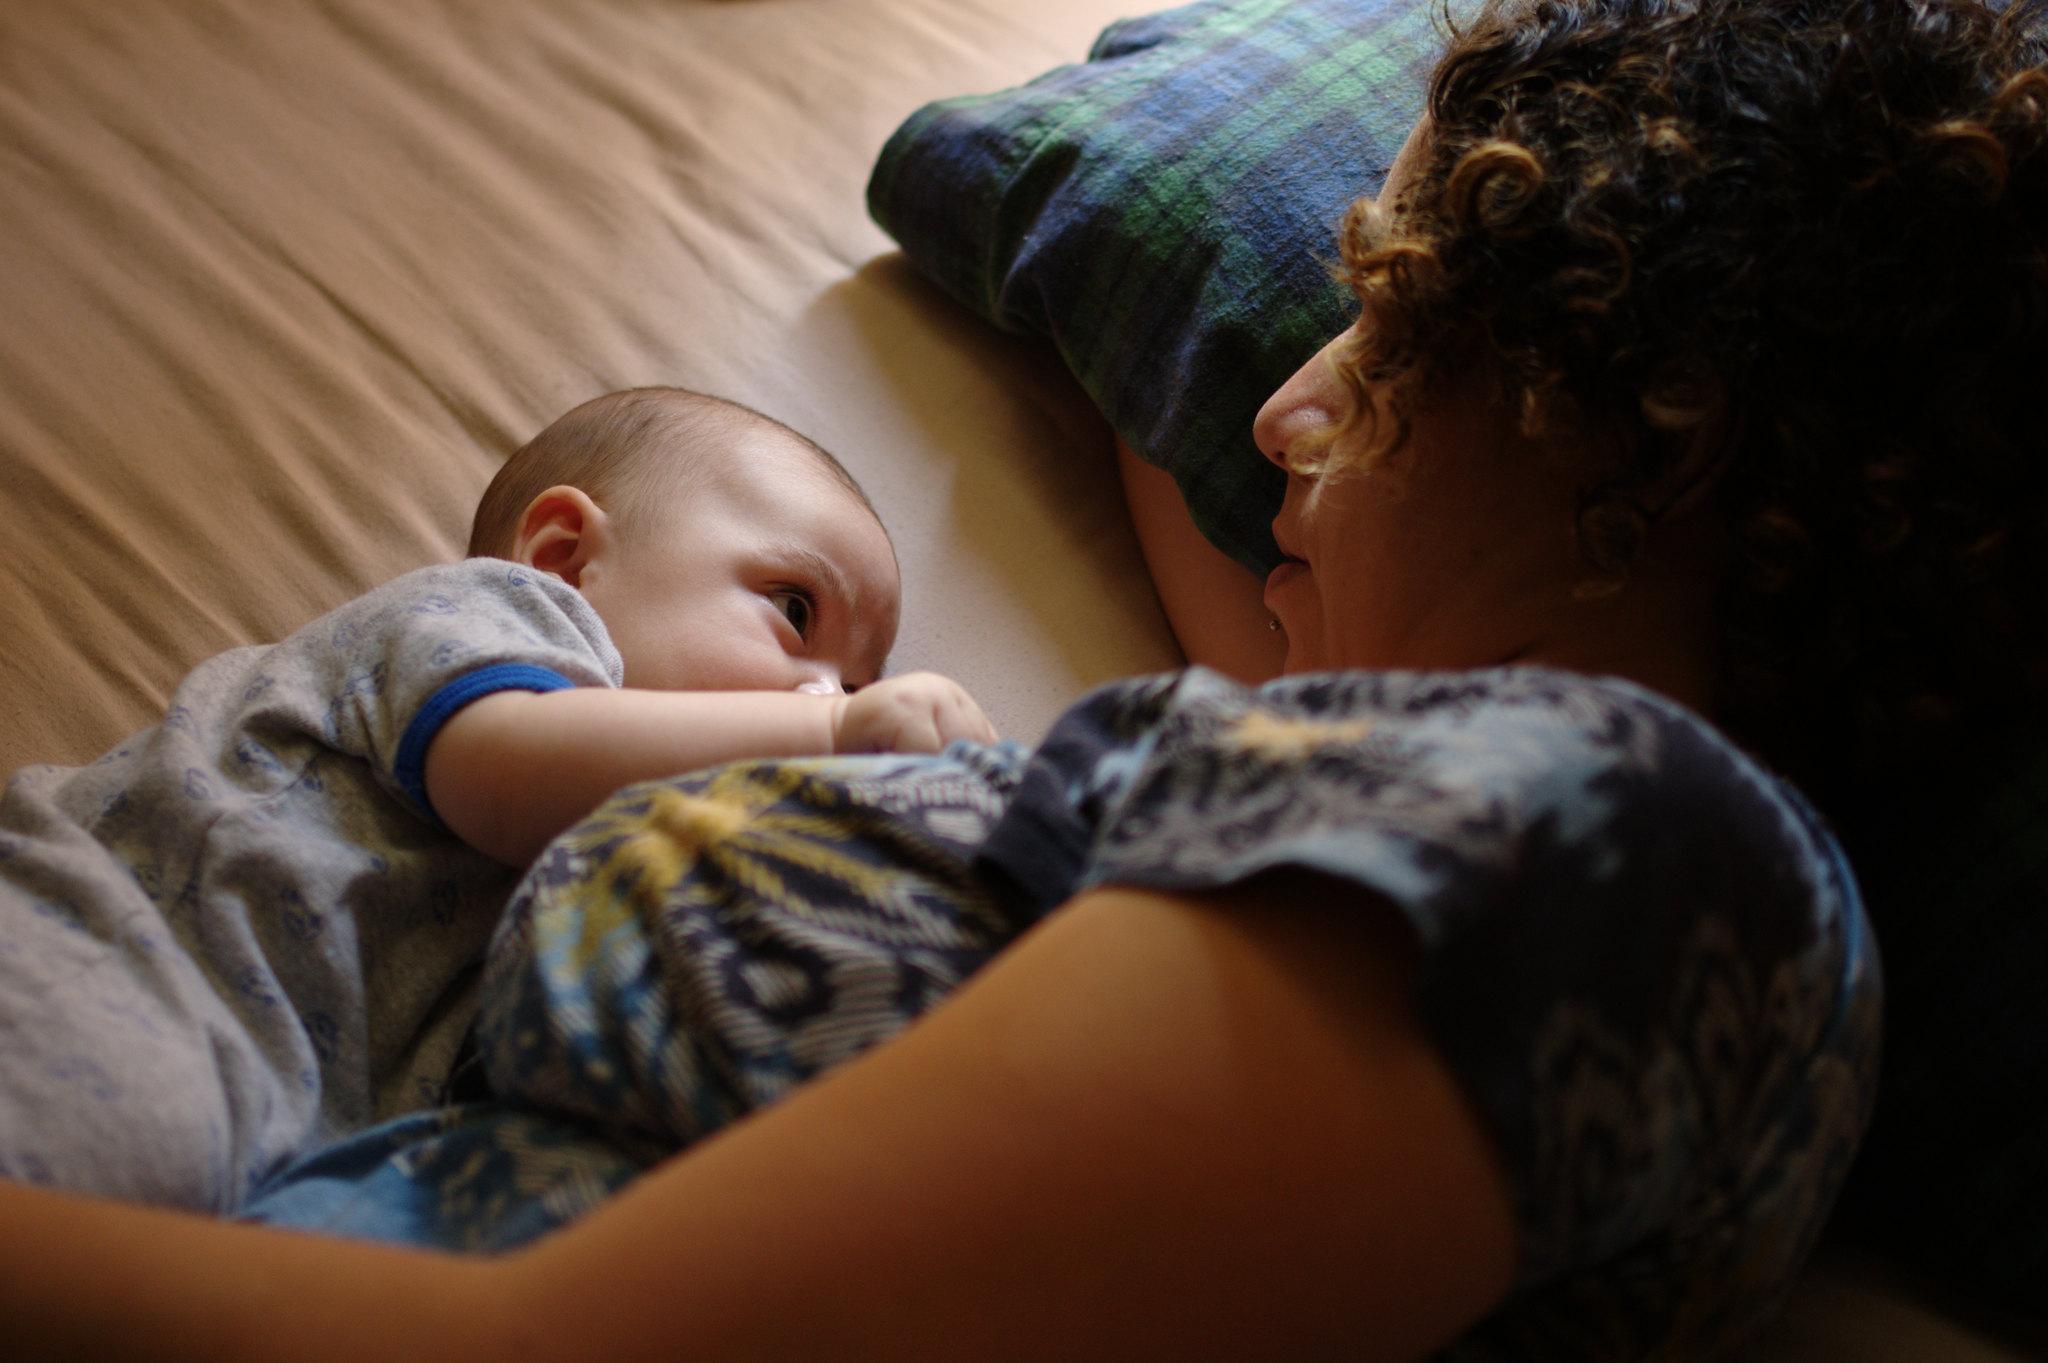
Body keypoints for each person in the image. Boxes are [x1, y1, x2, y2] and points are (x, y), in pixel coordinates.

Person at [6, 0, 2045, 1358]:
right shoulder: (1422, 802)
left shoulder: (1622, 849)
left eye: (1381, 321)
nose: (1277, 421)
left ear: (1641, 414)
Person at [0, 385, 996, 1214]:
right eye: (793, 611)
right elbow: (509, 773)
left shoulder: (616, 872)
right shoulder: (483, 618)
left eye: (859, 683)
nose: (824, 690)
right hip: (100, 949)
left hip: (273, 1126)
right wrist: (832, 738)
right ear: (566, 555)